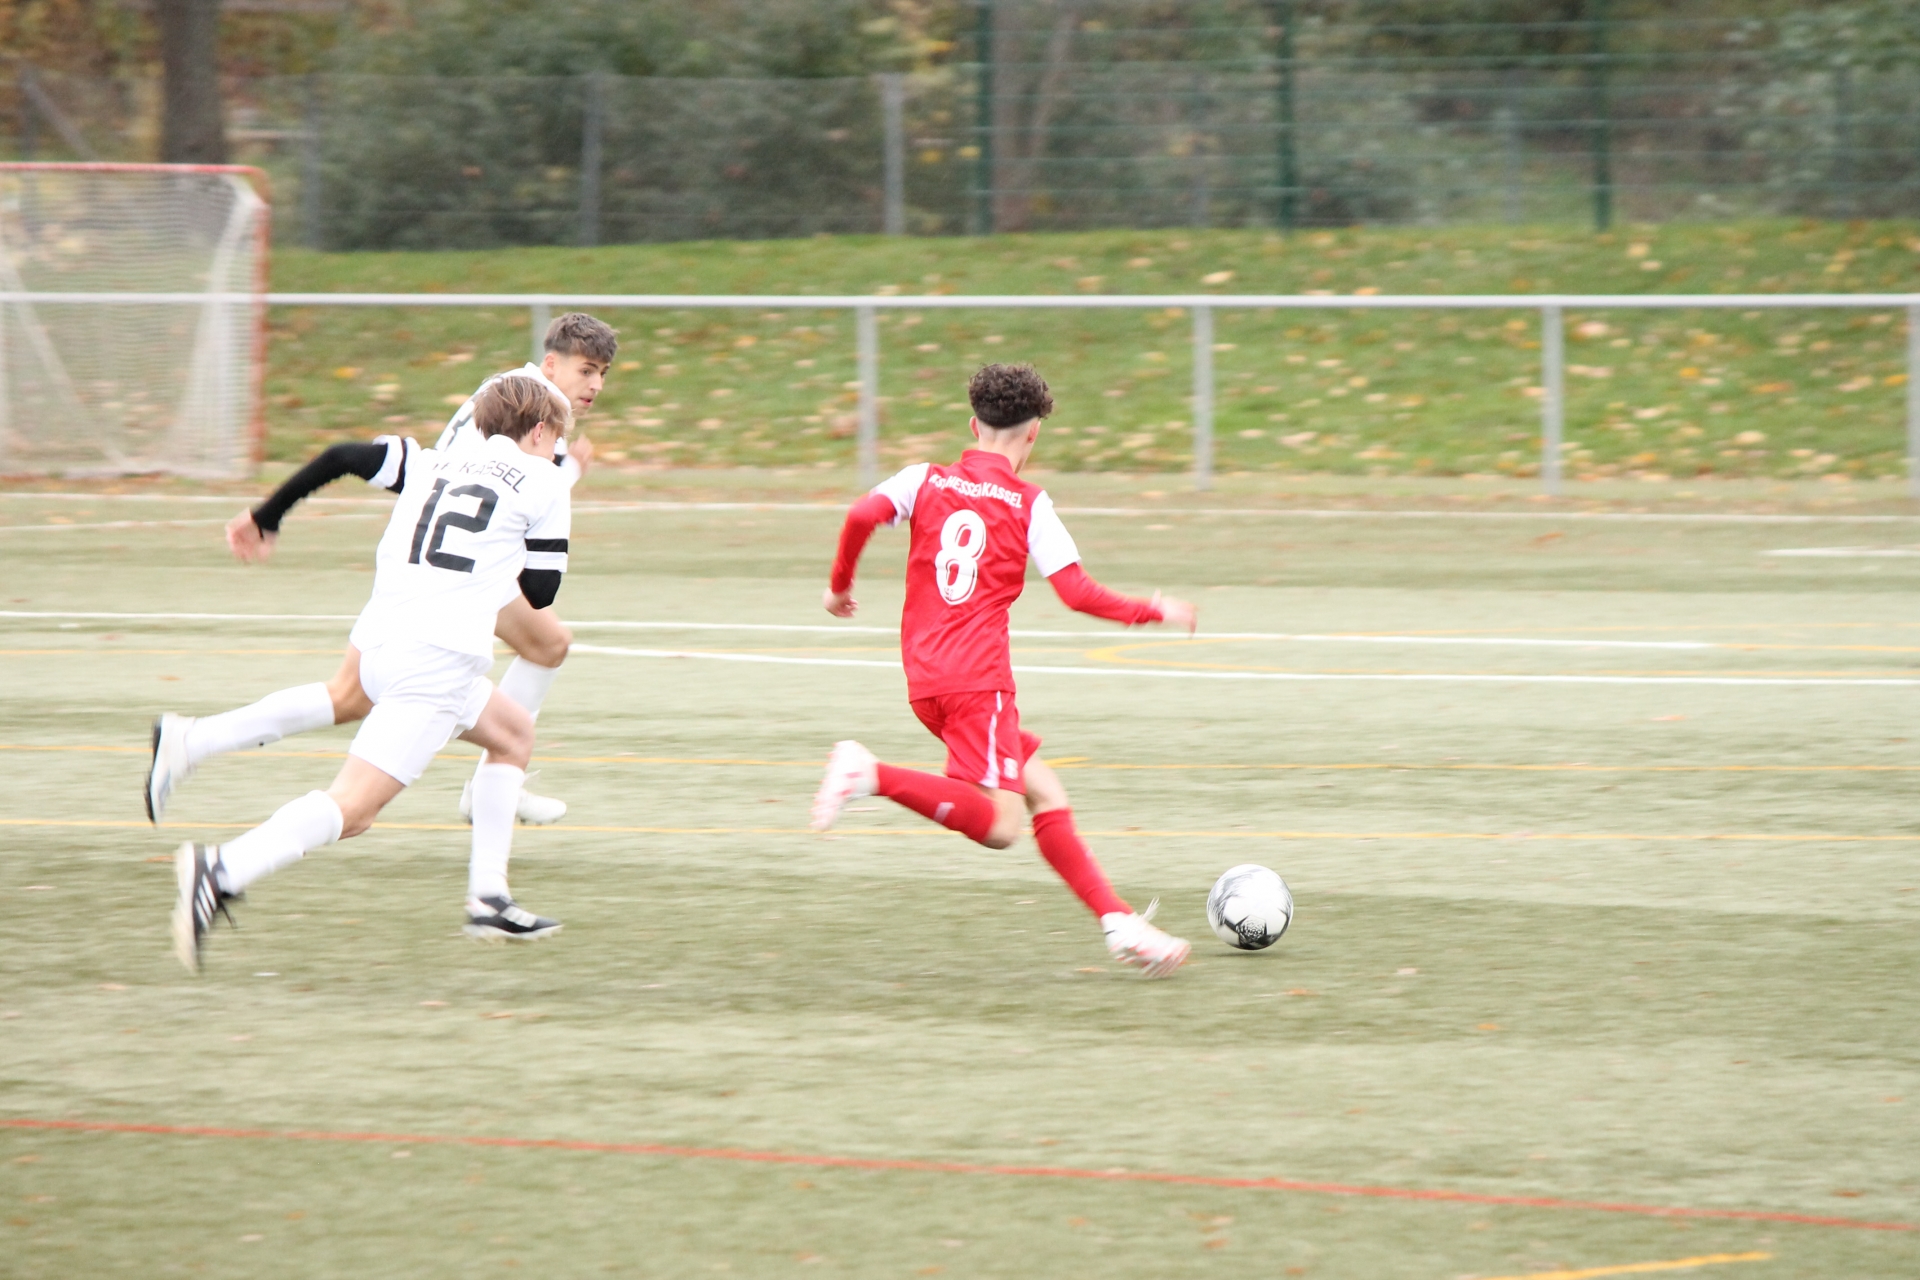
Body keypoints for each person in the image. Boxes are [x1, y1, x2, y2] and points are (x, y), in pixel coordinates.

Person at [146, 312, 616, 829]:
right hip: (455, 566)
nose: (595, 385)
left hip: (431, 556)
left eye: (602, 374)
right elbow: (514, 500)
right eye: (586, 370)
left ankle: (192, 740)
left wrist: (269, 513)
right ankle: (495, 783)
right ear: (550, 364)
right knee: (544, 647)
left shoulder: (513, 394)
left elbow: (382, 465)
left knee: (352, 694)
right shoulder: (531, 412)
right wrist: (569, 471)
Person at [171, 375, 575, 972]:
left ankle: (489, 898)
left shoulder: (435, 461)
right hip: (436, 662)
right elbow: (541, 591)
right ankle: (224, 869)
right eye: (554, 440)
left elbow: (345, 457)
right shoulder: (544, 479)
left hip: (380, 644)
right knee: (353, 808)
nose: (555, 451)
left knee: (513, 734)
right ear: (539, 431)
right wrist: (504, 551)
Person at [809, 363, 1198, 977]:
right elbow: (1077, 593)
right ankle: (870, 774)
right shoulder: (1029, 504)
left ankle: (1119, 923)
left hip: (926, 676)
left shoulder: (923, 478)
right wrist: (1153, 609)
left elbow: (860, 515)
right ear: (1034, 433)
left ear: (974, 425)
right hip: (978, 682)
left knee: (1045, 791)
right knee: (1000, 825)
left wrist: (839, 589)